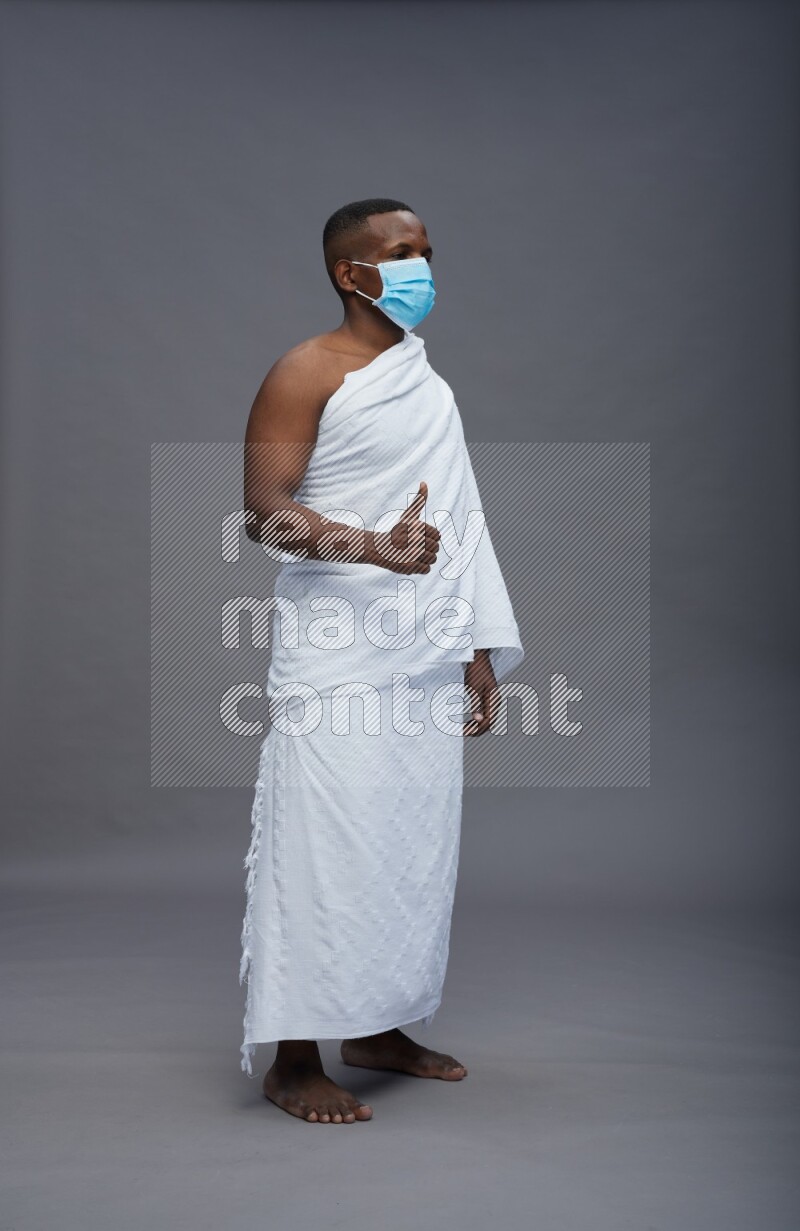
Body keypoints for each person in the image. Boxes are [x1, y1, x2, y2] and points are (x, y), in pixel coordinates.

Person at [240, 198, 523, 1123]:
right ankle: (293, 1055)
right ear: (347, 272)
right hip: (337, 654)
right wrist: (375, 549)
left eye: (428, 251)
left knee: (410, 845)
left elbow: (465, 522)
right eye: (401, 253)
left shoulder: (427, 385)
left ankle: (379, 1026)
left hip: (426, 651)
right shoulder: (305, 371)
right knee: (323, 844)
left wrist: (479, 649)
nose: (422, 267)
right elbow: (266, 509)